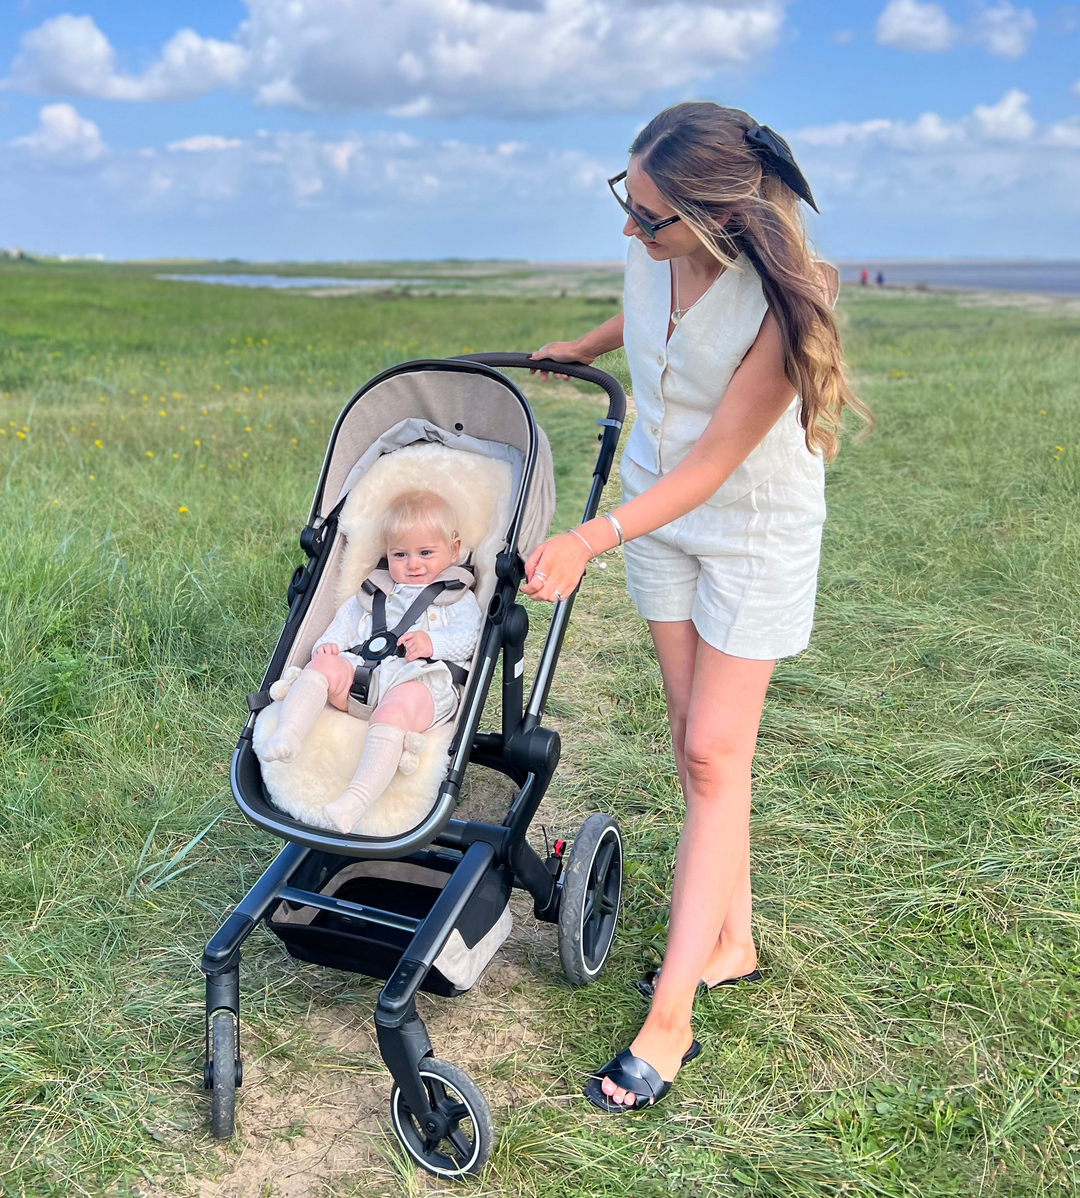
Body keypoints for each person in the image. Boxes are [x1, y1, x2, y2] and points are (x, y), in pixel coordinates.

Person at [524, 102, 870, 1114]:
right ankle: (731, 942)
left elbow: (717, 462)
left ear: (719, 219)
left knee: (716, 754)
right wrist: (584, 345)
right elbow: (646, 310)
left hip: (748, 528)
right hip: (656, 510)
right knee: (695, 742)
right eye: (626, 203)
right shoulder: (654, 242)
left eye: (650, 216)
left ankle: (669, 1020)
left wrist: (589, 537)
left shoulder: (787, 303)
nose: (631, 228)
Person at [259, 489, 482, 832]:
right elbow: (343, 624)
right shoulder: (374, 592)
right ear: (386, 553)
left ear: (454, 550)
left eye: (426, 553)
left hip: (421, 683)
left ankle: (355, 801)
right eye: (400, 554)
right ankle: (288, 734)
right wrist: (329, 646)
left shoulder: (457, 599)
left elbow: (471, 638)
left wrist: (433, 642)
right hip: (365, 678)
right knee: (322, 666)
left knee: (399, 705)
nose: (413, 564)